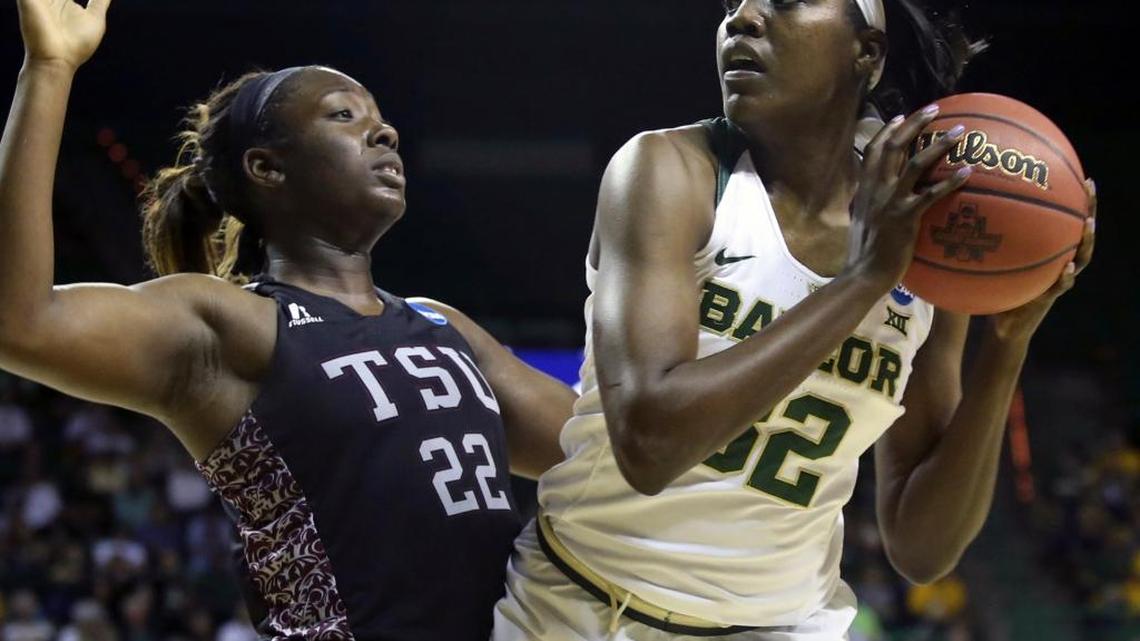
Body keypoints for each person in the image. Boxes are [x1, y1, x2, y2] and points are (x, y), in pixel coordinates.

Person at [493, 0, 1097, 639]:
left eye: (783, 1)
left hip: (783, 624)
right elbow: (650, 445)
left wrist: (1008, 344)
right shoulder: (670, 170)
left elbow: (923, 549)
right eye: (732, 6)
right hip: (586, 604)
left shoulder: (924, 223)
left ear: (865, 52)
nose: (742, 19)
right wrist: (863, 280)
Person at [0, 1, 575, 639]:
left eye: (382, 122)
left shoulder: (440, 325)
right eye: (344, 116)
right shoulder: (230, 324)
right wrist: (49, 68)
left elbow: (610, 448)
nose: (384, 134)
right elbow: (19, 321)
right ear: (267, 167)